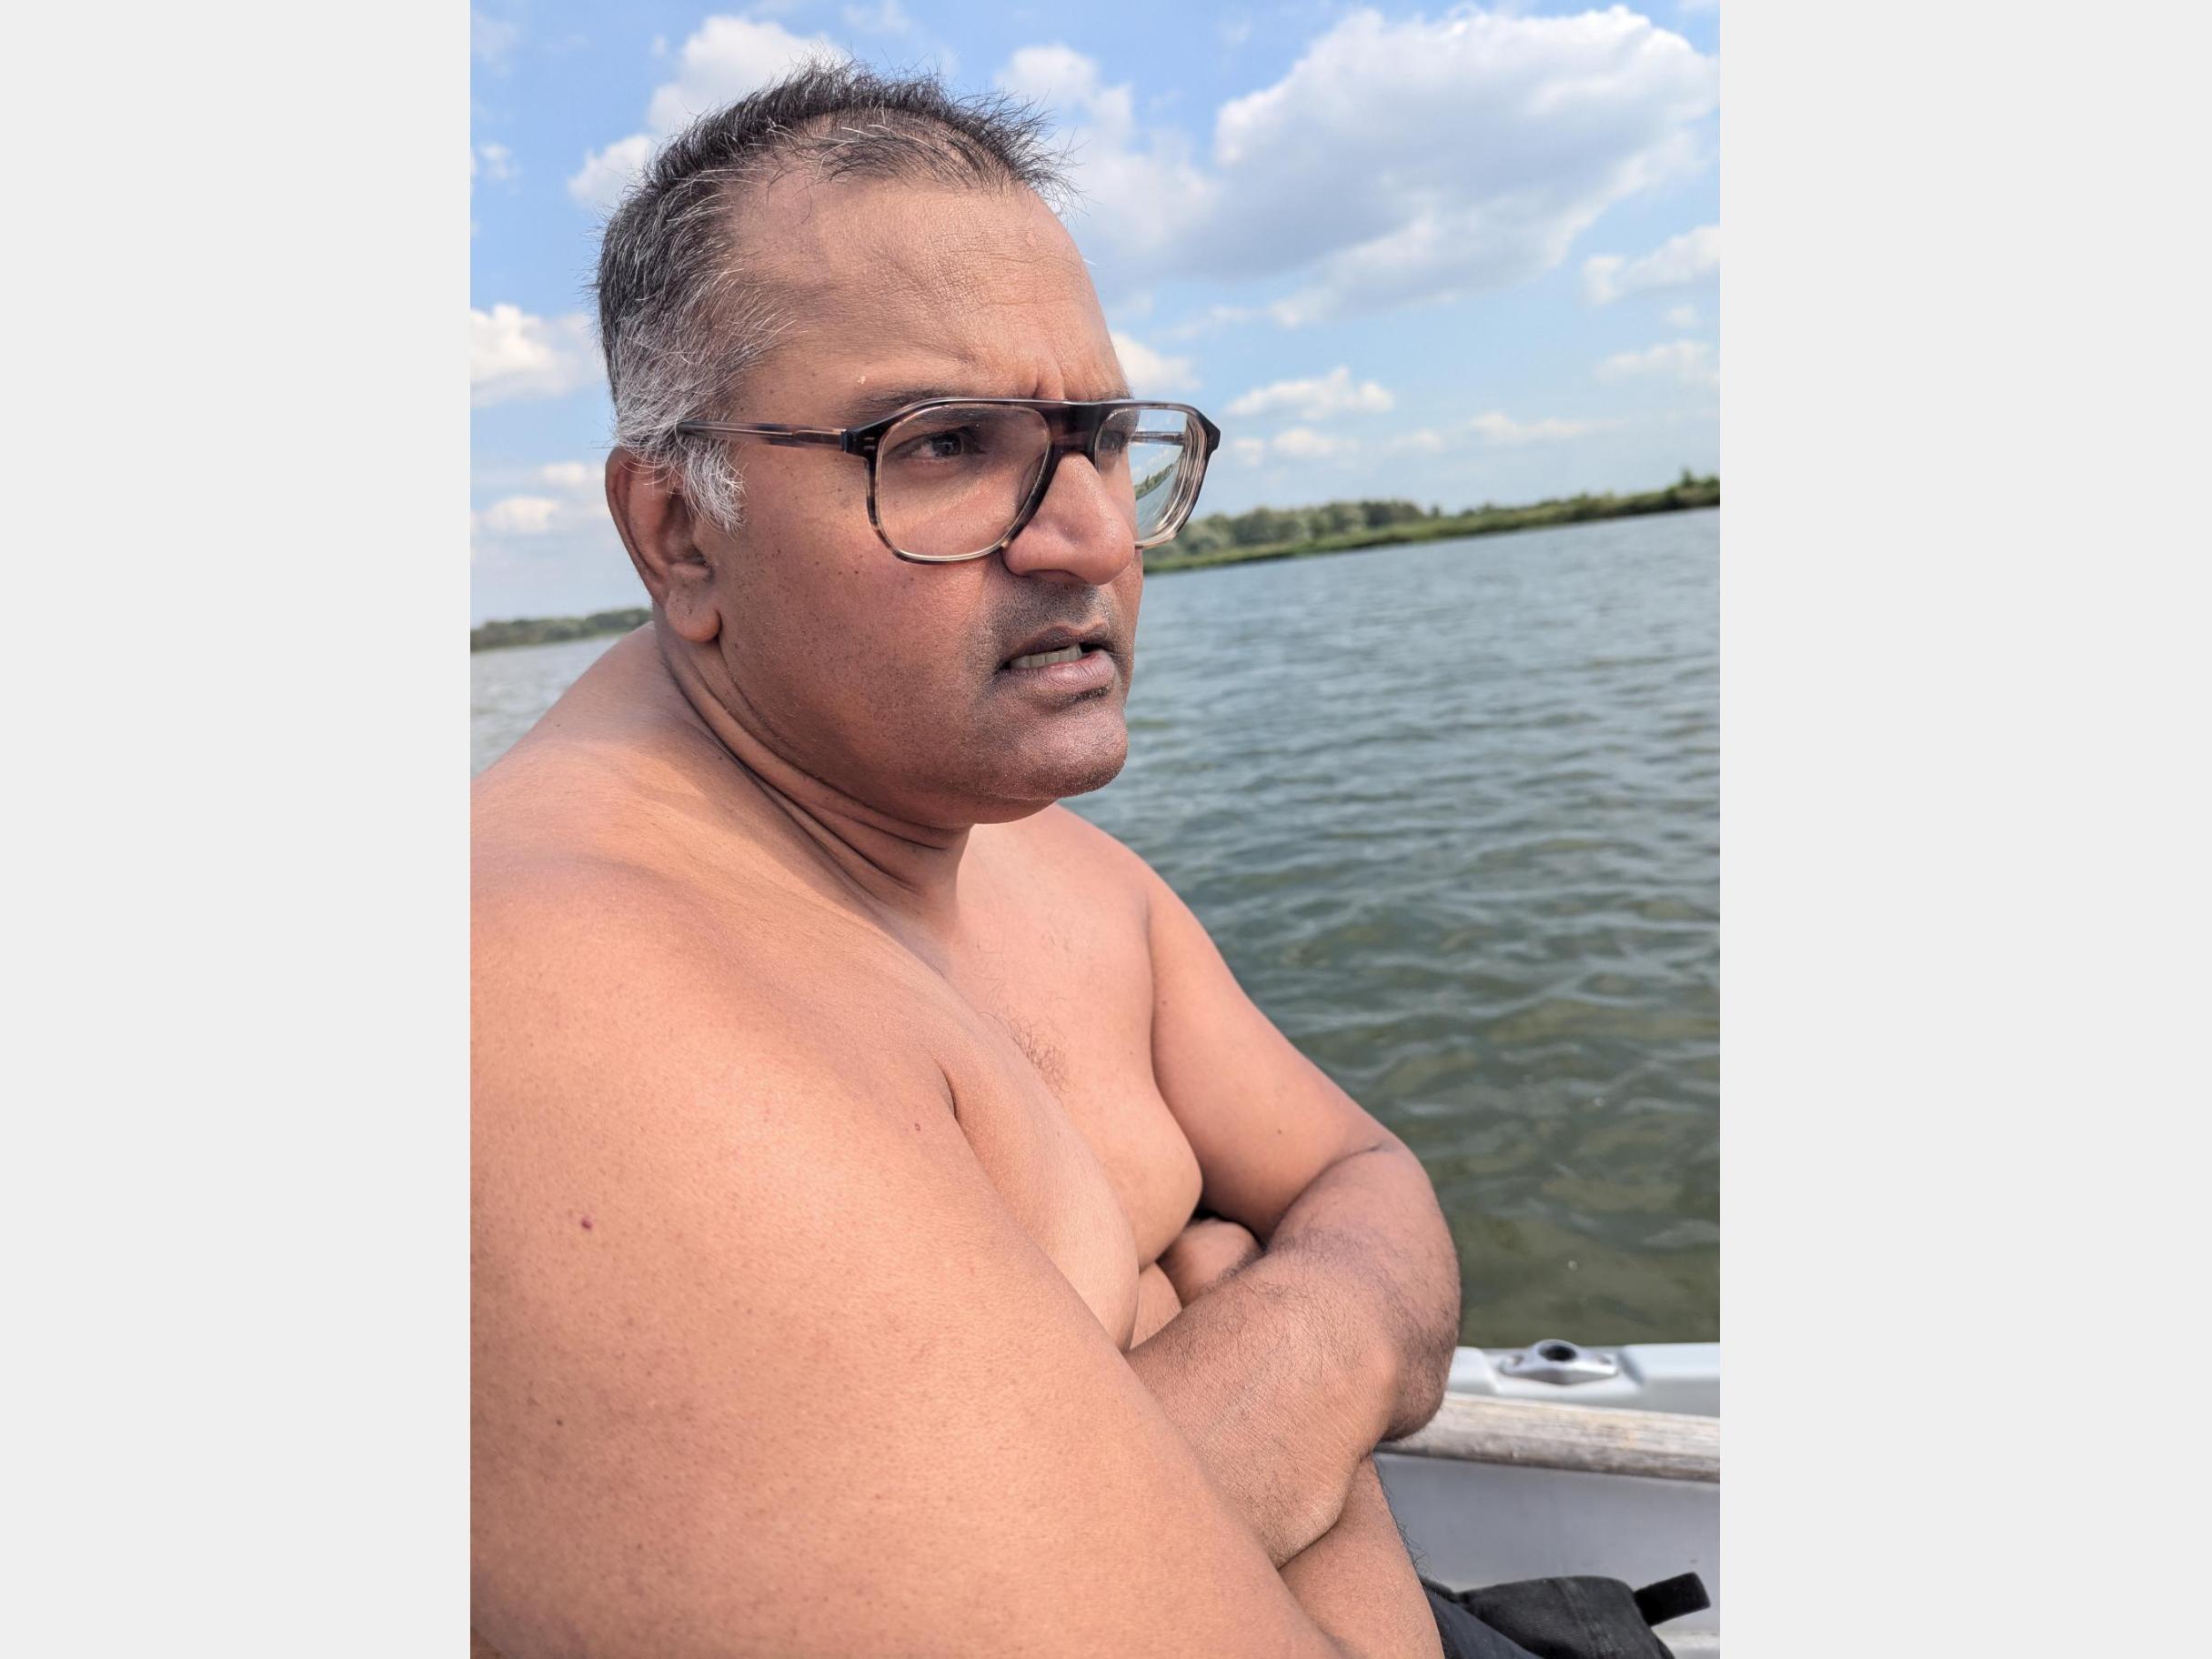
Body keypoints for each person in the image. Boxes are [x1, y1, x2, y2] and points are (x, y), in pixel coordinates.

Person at [472, 63, 1473, 1658]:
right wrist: (1232, 1311)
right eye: (942, 444)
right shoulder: (558, 1010)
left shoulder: (1058, 870)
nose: (1093, 539)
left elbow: (1370, 1184)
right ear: (679, 533)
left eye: (1104, 439)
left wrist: (1284, 1331)